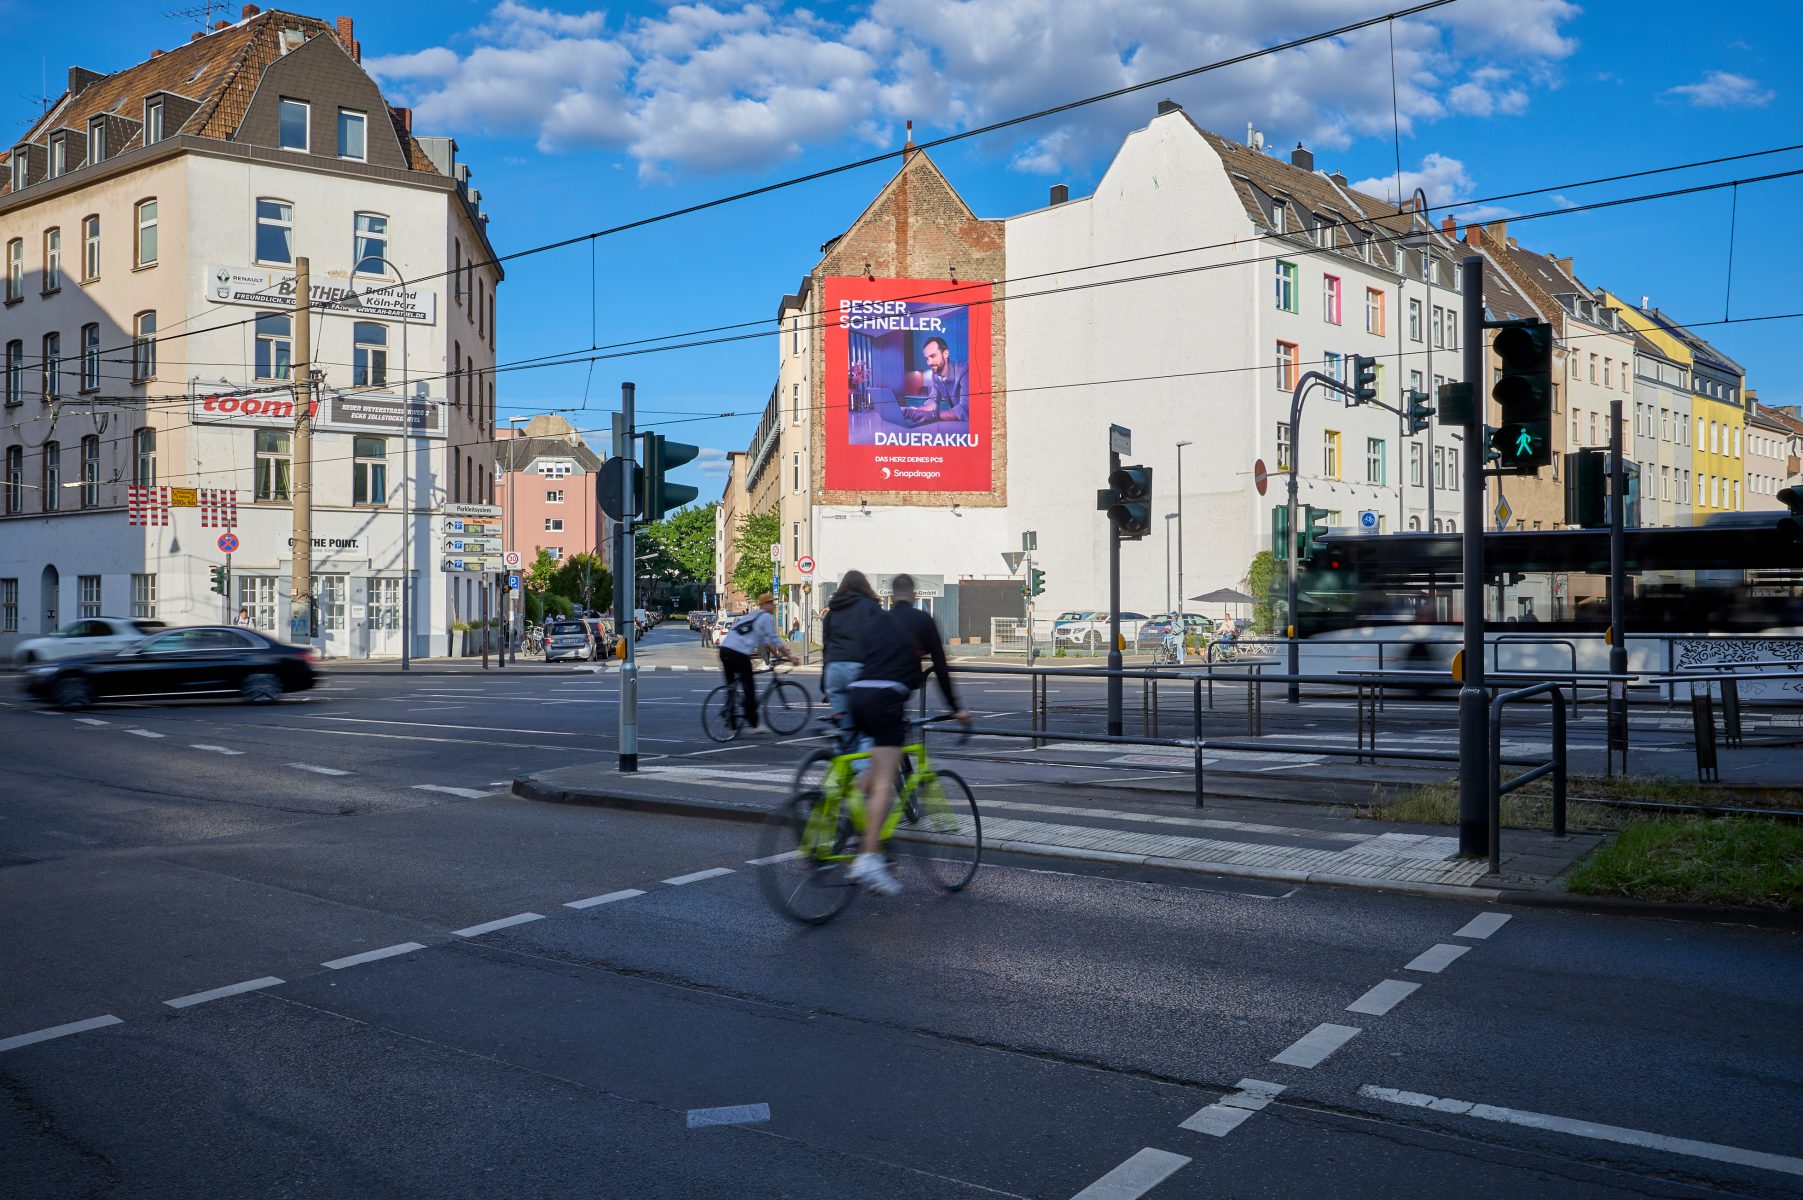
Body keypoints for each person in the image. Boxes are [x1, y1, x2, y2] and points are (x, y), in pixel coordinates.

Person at [845, 574, 971, 896]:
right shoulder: (922, 620)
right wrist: (957, 708)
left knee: (873, 770)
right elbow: (941, 669)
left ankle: (848, 812)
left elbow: (863, 658)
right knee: (887, 779)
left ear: (890, 596)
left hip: (857, 695)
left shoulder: (878, 622)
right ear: (913, 595)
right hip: (886, 700)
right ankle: (869, 860)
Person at [819, 570, 883, 755]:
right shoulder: (871, 608)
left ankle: (842, 777)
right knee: (868, 729)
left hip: (834, 672)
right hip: (859, 671)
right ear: (865, 586)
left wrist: (825, 685)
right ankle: (863, 777)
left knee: (845, 730)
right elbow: (880, 644)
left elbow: (827, 649)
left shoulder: (832, 612)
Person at [717, 593, 795, 733]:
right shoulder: (766, 617)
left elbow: (764, 641)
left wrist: (776, 655)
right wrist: (790, 658)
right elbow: (774, 639)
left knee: (731, 686)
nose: (773, 606)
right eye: (770, 603)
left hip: (725, 650)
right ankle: (753, 724)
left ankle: (731, 719)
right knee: (749, 688)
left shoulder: (752, 616)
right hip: (738, 652)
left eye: (773, 603)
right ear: (764, 605)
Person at [904, 336, 969, 426]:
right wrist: (916, 411)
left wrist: (934, 415)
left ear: (945, 354)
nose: (929, 362)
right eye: (927, 358)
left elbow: (964, 409)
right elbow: (932, 402)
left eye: (933, 356)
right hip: (959, 424)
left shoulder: (964, 370)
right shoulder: (935, 375)